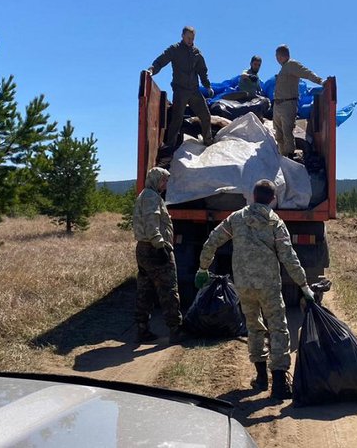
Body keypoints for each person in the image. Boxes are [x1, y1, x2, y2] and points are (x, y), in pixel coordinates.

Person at [194, 179, 315, 400]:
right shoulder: (274, 222)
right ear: (273, 199)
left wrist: (203, 267)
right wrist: (304, 285)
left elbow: (213, 240)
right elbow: (289, 257)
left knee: (253, 326)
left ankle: (260, 378)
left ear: (252, 195)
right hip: (268, 285)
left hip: (244, 284)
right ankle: (279, 384)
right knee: (277, 327)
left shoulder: (236, 218)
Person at [132, 167, 184, 344]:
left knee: (145, 289)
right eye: (164, 180)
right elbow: (151, 222)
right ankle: (175, 330)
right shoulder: (151, 197)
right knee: (169, 289)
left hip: (144, 249)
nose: (165, 184)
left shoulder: (146, 195)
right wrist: (160, 245)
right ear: (156, 179)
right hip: (155, 248)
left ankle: (142, 329)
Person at [147, 26, 214, 148]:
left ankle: (208, 141)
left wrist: (207, 86)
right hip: (180, 90)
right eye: (188, 38)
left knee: (206, 116)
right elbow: (162, 60)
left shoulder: (196, 53)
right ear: (182, 36)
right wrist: (152, 69)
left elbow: (202, 71)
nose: (190, 40)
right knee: (177, 119)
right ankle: (170, 147)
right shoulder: (175, 50)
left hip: (194, 91)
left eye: (192, 38)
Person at [272, 45, 324, 157]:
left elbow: (306, 72)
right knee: (278, 133)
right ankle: (283, 156)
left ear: (281, 55)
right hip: (278, 104)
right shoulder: (284, 68)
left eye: (277, 56)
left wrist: (320, 81)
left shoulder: (292, 65)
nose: (276, 59)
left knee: (287, 132)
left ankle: (290, 156)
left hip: (288, 103)